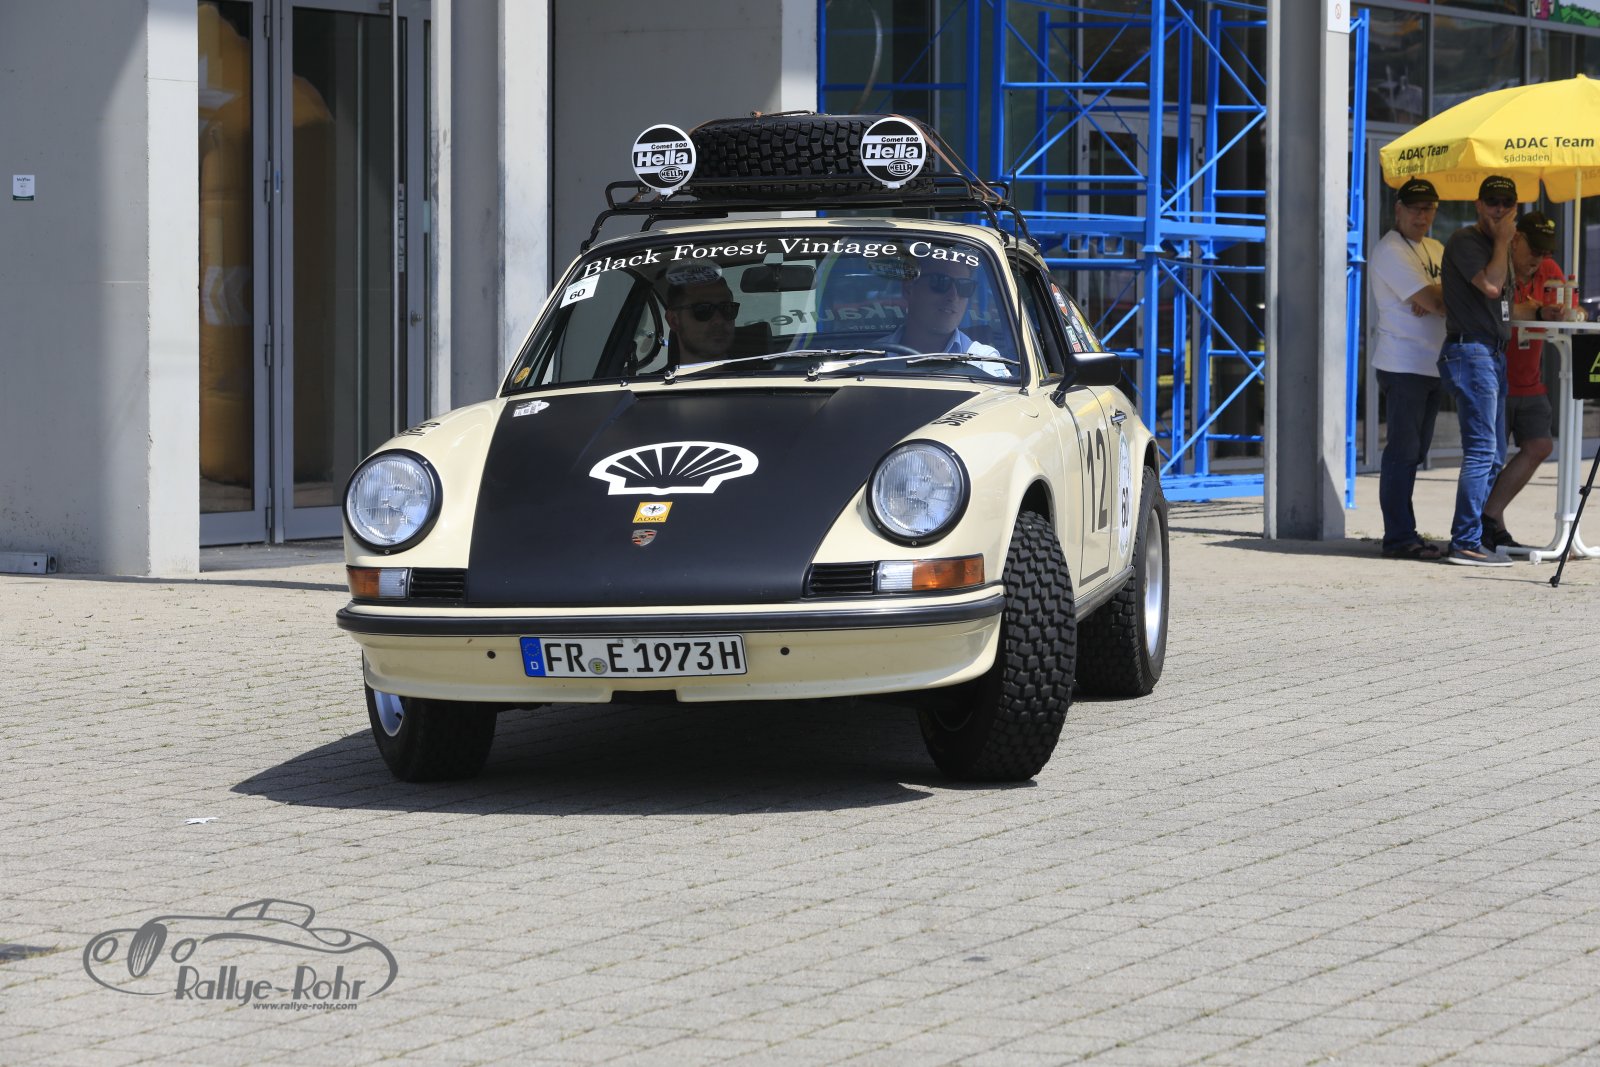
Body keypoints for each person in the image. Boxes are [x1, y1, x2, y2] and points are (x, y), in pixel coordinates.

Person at [1481, 211, 1581, 549]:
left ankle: (1489, 517)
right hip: (1493, 375)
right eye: (1534, 249)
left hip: (1529, 378)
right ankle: (1486, 528)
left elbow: (1569, 308)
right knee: (1490, 457)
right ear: (1516, 239)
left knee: (1540, 445)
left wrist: (1564, 310)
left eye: (1546, 251)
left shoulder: (1548, 270)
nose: (1539, 258)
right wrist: (1535, 309)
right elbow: (1496, 309)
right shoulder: (1498, 265)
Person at [1437, 174, 1518, 567]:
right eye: (1492, 201)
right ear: (1478, 205)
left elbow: (1504, 302)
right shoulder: (1466, 241)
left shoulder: (1498, 246)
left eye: (1506, 202)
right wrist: (1503, 242)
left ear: (1515, 207)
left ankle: (1473, 537)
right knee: (1482, 451)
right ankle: (1465, 542)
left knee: (1496, 454)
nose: (1499, 209)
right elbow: (1491, 287)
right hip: (1471, 352)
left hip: (1492, 354)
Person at [1369, 177, 1447, 561]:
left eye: (1429, 208)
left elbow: (1447, 295)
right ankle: (1399, 537)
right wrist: (1434, 295)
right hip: (1403, 365)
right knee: (1402, 453)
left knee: (1414, 454)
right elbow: (1440, 301)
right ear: (1398, 209)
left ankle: (1406, 531)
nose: (1422, 215)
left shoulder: (1436, 247)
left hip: (1432, 364)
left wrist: (1434, 294)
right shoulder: (1389, 250)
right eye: (1415, 208)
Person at [885, 258, 1002, 359]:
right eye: (940, 282)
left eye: (964, 286)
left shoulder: (985, 363)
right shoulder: (874, 357)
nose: (953, 296)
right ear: (909, 288)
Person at [666, 274, 739, 361]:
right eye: (703, 310)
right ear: (674, 321)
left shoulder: (753, 367)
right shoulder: (656, 372)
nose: (719, 320)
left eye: (727, 308)